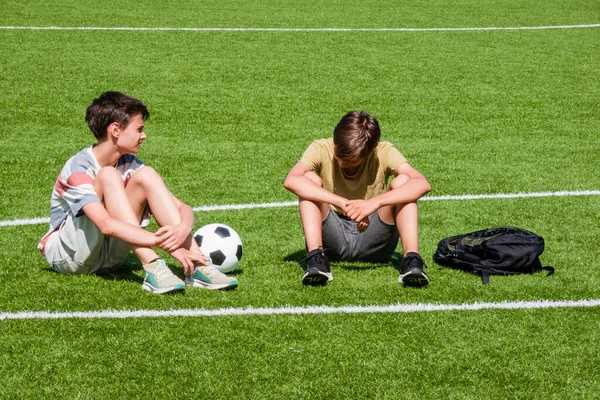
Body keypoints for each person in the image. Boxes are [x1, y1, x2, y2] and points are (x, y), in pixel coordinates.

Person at [37, 91, 238, 294]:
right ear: (115, 130)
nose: (144, 136)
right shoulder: (78, 167)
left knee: (146, 175)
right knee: (108, 175)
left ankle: (199, 265)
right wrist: (160, 242)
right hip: (69, 257)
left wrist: (182, 229)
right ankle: (154, 266)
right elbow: (105, 225)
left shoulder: (131, 164)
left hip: (109, 257)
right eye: (139, 129)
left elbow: (182, 207)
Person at [284, 111, 431, 287]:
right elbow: (292, 179)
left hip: (375, 238)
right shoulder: (321, 147)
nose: (341, 162)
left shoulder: (383, 151)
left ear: (369, 151)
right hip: (332, 239)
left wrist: (373, 204)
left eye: (350, 160)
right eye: (339, 154)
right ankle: (317, 259)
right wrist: (341, 202)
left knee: (404, 182)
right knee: (309, 180)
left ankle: (412, 261)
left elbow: (422, 183)